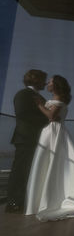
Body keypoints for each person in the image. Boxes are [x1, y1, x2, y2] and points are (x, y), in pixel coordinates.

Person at [24, 75, 74, 221]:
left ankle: (50, 199)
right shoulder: (55, 100)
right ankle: (42, 200)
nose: (48, 83)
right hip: (52, 133)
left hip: (54, 133)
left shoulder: (61, 100)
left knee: (53, 163)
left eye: (51, 81)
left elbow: (51, 116)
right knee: (48, 163)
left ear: (56, 85)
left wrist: (39, 105)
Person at [5, 70, 49, 213]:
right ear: (36, 80)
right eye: (44, 80)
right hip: (25, 138)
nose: (46, 83)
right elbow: (23, 115)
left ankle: (23, 200)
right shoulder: (23, 95)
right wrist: (47, 120)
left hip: (34, 139)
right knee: (20, 171)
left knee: (29, 170)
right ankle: (12, 203)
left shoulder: (38, 96)